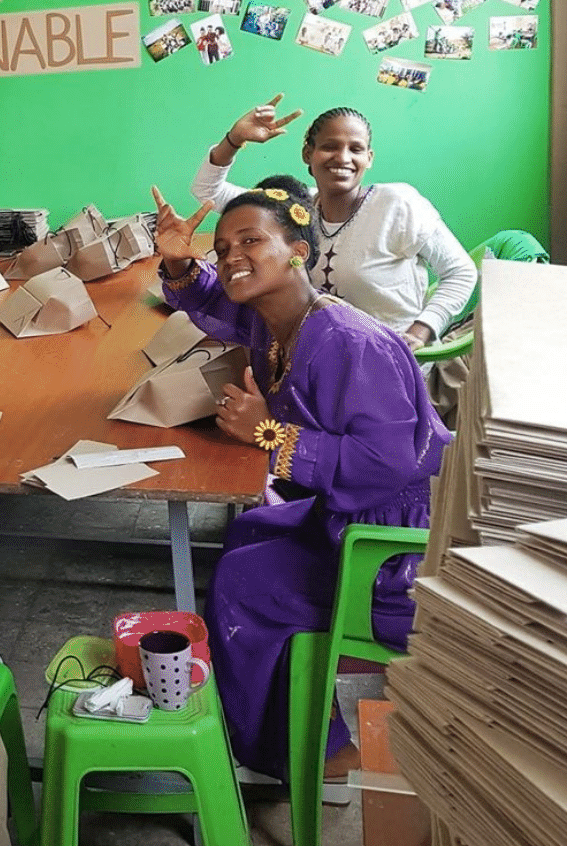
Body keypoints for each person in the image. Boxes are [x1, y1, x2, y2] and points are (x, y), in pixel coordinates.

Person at [151, 183, 450, 781]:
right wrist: (182, 262)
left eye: (251, 241)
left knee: (244, 580)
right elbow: (213, 301)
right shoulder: (275, 318)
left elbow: (386, 463)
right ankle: (308, 728)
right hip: (352, 515)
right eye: (223, 246)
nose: (232, 256)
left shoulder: (350, 342)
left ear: (297, 253)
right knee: (250, 532)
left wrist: (266, 436)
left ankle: (305, 754)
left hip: (399, 553)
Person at [190, 95, 477, 350]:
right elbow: (208, 192)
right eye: (330, 147)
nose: (343, 158)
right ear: (308, 154)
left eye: (356, 149)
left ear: (369, 158)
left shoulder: (397, 204)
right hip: (322, 361)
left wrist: (421, 331)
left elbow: (461, 272)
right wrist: (234, 140)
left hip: (392, 365)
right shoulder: (296, 211)